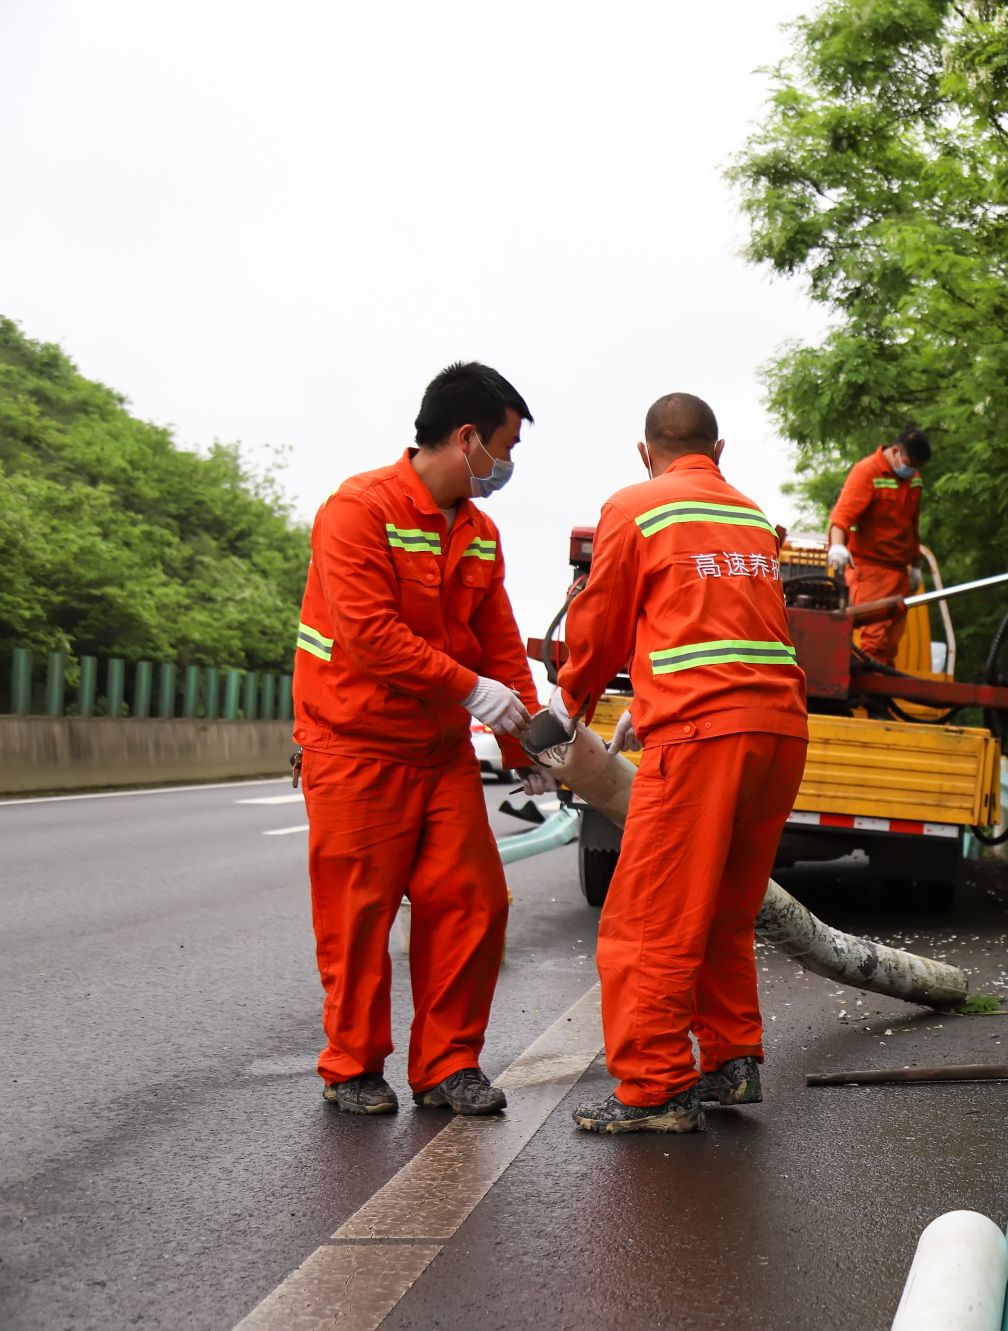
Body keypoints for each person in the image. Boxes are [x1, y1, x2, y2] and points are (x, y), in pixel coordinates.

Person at [293, 361, 549, 1117]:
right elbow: (370, 636)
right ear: (468, 437)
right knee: (358, 914)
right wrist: (472, 691)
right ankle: (352, 1067)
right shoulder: (358, 509)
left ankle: (446, 1065)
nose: (507, 466)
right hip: (355, 745)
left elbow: (500, 648)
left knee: (472, 900)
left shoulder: (477, 531)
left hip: (437, 756)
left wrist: (527, 749)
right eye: (505, 446)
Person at [551, 392, 809, 1134]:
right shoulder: (752, 517)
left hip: (702, 738)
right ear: (718, 450)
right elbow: (727, 630)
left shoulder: (637, 505)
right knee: (727, 907)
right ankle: (730, 1061)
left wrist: (573, 703)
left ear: (646, 452)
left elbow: (597, 627)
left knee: (648, 918)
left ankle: (657, 1087)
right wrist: (652, 703)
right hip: (778, 732)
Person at [826, 427, 930, 663]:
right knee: (873, 641)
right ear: (895, 452)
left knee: (888, 645)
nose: (912, 470)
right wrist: (838, 546)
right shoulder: (867, 472)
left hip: (899, 571)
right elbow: (841, 516)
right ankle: (865, 696)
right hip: (869, 569)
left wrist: (915, 565)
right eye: (910, 463)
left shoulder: (913, 480)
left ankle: (879, 697)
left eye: (917, 467)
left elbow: (912, 526)